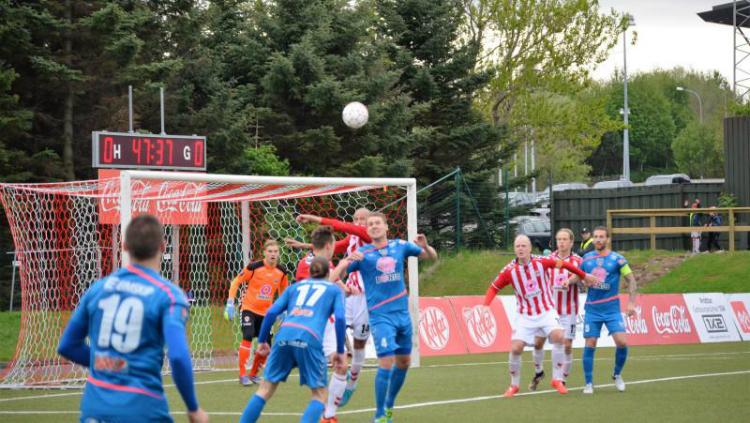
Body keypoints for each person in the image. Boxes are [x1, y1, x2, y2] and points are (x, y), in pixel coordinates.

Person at [57, 214, 208, 423]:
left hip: (95, 407)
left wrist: (109, 362)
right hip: (143, 407)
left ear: (125, 246)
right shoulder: (169, 296)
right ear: (163, 246)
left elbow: (67, 346)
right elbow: (179, 357)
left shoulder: (98, 289)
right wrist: (193, 408)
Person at [343, 212, 437, 423]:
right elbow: (339, 273)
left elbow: (431, 257)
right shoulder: (363, 253)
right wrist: (348, 261)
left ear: (386, 227)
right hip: (380, 316)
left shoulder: (400, 246)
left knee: (404, 362)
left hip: (403, 315)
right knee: (385, 362)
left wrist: (427, 245)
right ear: (367, 230)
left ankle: (389, 406)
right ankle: (379, 415)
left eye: (378, 223)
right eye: (370, 224)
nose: (374, 226)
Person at [484, 234, 595, 398]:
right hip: (524, 316)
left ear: (529, 248)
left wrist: (584, 275)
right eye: (517, 246)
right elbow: (494, 288)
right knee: (516, 348)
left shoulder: (542, 261)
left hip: (546, 311)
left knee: (559, 336)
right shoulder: (509, 271)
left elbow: (564, 264)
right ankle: (514, 385)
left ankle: (557, 379)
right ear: (515, 249)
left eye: (524, 246)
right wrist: (485, 306)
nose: (520, 249)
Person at [239, 257, 347, 423]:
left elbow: (270, 313)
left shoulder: (294, 288)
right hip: (309, 338)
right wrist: (340, 350)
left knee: (265, 389)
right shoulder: (333, 289)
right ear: (328, 273)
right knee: (319, 394)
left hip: (283, 336)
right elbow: (340, 318)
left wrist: (262, 341)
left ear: (309, 273)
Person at [287, 208, 372, 409]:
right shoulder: (352, 239)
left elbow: (341, 226)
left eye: (363, 219)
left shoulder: (366, 236)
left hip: (364, 297)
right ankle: (333, 384)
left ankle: (353, 380)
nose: (359, 222)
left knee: (359, 346)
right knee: (333, 331)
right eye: (357, 219)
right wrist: (303, 246)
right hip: (348, 295)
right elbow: (331, 247)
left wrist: (313, 216)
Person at [565, 226, 638, 394]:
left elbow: (631, 281)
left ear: (607, 239)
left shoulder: (618, 260)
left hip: (612, 309)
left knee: (622, 342)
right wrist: (569, 281)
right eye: (596, 237)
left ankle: (617, 374)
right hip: (592, 309)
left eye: (601, 237)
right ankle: (588, 383)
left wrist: (631, 303)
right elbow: (578, 274)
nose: (598, 240)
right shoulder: (587, 258)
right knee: (590, 343)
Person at [292, 225, 351, 423]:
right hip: (314, 324)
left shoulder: (326, 262)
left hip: (329, 322)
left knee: (341, 366)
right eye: (334, 244)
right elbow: (320, 286)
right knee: (319, 376)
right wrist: (343, 267)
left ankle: (329, 415)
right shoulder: (308, 262)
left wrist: (344, 284)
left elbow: (333, 281)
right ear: (329, 245)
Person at [225, 240, 290, 385]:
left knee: (266, 344)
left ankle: (253, 374)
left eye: (275, 251)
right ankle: (242, 375)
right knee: (247, 335)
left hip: (267, 313)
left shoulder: (282, 272)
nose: (273, 254)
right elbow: (236, 282)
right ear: (264, 253)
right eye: (270, 251)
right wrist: (230, 302)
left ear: (278, 253)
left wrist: (283, 310)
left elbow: (283, 293)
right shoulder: (254, 267)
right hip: (249, 308)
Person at [527, 229, 582, 391]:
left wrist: (570, 280)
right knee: (537, 343)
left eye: (565, 239)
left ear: (571, 242)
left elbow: (579, 275)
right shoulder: (548, 259)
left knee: (566, 345)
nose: (561, 242)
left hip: (568, 310)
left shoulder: (577, 260)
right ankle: (539, 373)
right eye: (559, 239)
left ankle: (560, 380)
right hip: (548, 310)